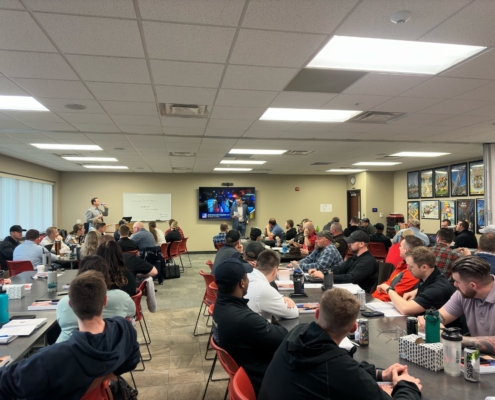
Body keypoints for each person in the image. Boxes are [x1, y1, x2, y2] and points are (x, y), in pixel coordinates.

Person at [258, 288, 422, 400]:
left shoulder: (297, 334)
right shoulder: (338, 369)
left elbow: (340, 362)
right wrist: (407, 385)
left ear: (317, 313)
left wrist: (380, 374)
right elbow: (343, 368)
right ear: (353, 327)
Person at [0, 270, 140, 399]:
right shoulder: (123, 329)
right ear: (104, 301)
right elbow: (132, 360)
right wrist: (101, 379)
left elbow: (5, 384)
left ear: (71, 305)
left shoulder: (50, 359)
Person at [212, 258, 287, 395]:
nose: (248, 281)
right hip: (265, 381)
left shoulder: (220, 306)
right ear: (241, 283)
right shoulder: (244, 320)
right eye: (247, 278)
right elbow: (283, 337)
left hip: (248, 369)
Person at [417, 256, 495, 355]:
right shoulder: (462, 294)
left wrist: (452, 338)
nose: (454, 285)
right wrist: (430, 320)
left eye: (457, 282)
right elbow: (442, 315)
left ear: (473, 286)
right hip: (479, 356)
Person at [56, 255, 136, 343]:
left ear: (70, 304)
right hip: (111, 347)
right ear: (104, 301)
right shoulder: (121, 297)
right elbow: (132, 313)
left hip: (68, 350)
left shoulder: (63, 303)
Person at [378, 247, 455, 316]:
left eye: (411, 266)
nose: (408, 269)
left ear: (424, 267)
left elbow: (405, 309)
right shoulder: (431, 275)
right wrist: (417, 290)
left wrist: (388, 289)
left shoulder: (437, 289)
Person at [245, 249, 298, 320]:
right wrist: (288, 300)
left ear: (256, 264)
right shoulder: (263, 288)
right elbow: (293, 313)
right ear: (275, 271)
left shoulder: (246, 276)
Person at [373, 236, 423, 302]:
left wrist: (372, 299)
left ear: (406, 250)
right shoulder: (403, 265)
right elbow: (388, 284)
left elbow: (392, 296)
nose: (398, 248)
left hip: (383, 303)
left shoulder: (412, 273)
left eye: (400, 246)